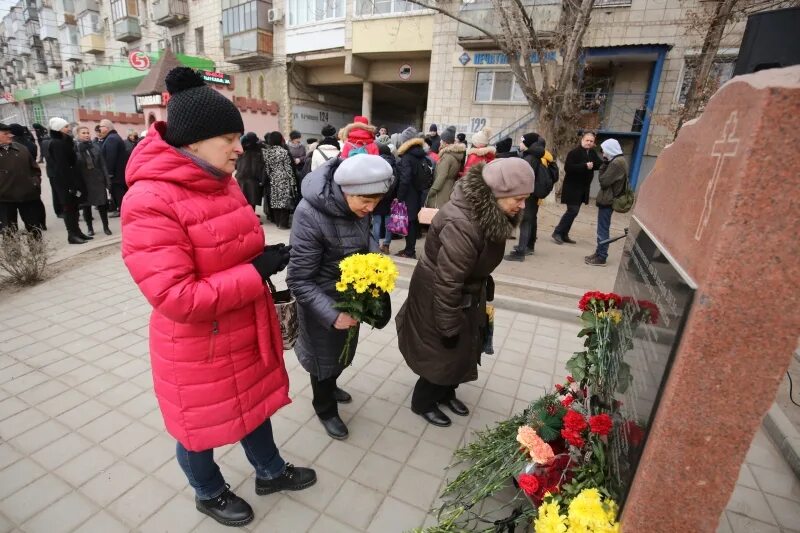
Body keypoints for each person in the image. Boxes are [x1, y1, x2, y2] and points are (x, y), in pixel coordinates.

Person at [120, 68, 316, 527]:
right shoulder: (150, 199)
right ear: (192, 141)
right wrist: (253, 273)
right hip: (197, 342)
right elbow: (174, 295)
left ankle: (269, 471)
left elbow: (226, 246)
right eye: (228, 137)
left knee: (254, 405)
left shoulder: (220, 180)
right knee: (198, 427)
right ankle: (207, 492)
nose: (238, 147)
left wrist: (262, 255)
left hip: (242, 325)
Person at [397, 158, 534, 426]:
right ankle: (423, 401)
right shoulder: (463, 224)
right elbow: (448, 281)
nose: (523, 205)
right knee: (441, 351)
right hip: (441, 294)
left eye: (526, 198)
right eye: (518, 198)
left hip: (466, 293)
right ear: (497, 193)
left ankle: (446, 392)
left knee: (461, 349)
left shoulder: (488, 211)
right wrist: (447, 324)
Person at [287, 154, 393, 440]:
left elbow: (365, 237)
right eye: (365, 202)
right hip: (321, 303)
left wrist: (375, 265)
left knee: (340, 354)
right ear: (345, 191)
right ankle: (324, 408)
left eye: (376, 202)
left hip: (352, 298)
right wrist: (333, 314)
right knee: (322, 360)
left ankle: (332, 385)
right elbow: (298, 278)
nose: (371, 208)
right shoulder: (310, 214)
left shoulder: (360, 206)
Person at [505, 133, 557, 262]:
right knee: (531, 219)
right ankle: (530, 245)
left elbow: (525, 177)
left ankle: (520, 252)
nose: (520, 144)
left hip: (528, 193)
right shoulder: (540, 155)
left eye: (522, 142)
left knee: (525, 221)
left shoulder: (530, 157)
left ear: (528, 144)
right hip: (534, 194)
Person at [553, 132, 603, 245]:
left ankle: (564, 234)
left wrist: (592, 165)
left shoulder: (592, 153)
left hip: (583, 188)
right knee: (572, 210)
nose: (589, 143)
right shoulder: (574, 153)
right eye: (587, 140)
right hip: (572, 187)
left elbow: (599, 164)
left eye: (591, 141)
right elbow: (568, 168)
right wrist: (584, 166)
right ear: (582, 140)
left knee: (574, 212)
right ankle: (557, 232)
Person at [48, 117, 90, 244]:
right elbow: (62, 166)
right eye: (65, 127)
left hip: (71, 179)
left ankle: (78, 232)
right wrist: (70, 185)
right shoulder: (57, 143)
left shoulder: (65, 141)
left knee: (75, 207)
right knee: (69, 208)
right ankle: (72, 235)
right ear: (58, 129)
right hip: (65, 182)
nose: (69, 129)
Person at [586, 138, 627, 267]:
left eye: (604, 151)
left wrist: (604, 165)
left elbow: (604, 181)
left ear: (610, 150)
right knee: (602, 228)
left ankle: (602, 256)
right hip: (608, 199)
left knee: (602, 229)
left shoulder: (616, 163)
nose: (603, 154)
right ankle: (599, 253)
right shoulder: (618, 161)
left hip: (608, 200)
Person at [0, 123, 44, 235]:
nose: (10, 135)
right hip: (4, 200)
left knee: (34, 228)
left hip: (28, 196)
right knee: (8, 231)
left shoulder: (22, 149)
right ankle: (14, 253)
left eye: (10, 133)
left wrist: (35, 183)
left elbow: (35, 169)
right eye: (6, 133)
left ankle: (37, 252)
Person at [395, 127, 429, 259]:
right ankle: (409, 249)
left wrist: (399, 197)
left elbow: (405, 179)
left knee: (409, 222)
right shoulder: (420, 155)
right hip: (419, 192)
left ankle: (409, 252)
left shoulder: (407, 157)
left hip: (409, 193)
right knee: (413, 222)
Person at [74, 126, 112, 236]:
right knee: (86, 206)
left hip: (97, 179)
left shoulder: (95, 147)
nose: (86, 135)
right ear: (78, 135)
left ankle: (106, 227)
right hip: (84, 181)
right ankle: (90, 228)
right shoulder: (75, 149)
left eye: (87, 132)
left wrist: (107, 180)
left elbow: (103, 164)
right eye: (83, 133)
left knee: (102, 204)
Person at [261, 131, 297, 230]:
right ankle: (283, 224)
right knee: (285, 202)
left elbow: (267, 168)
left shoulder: (267, 152)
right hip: (284, 179)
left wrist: (272, 176)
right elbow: (288, 169)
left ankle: (277, 222)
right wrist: (293, 182)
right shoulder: (283, 151)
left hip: (273, 179)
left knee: (276, 201)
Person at [425, 126, 466, 209]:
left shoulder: (447, 157)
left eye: (441, 140)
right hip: (448, 188)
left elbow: (441, 176)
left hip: (441, 191)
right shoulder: (454, 154)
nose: (440, 141)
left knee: (435, 213)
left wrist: (432, 191)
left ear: (445, 142)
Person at [99, 119, 129, 215]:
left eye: (101, 127)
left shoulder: (111, 138)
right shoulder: (113, 137)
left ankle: (124, 211)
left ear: (106, 128)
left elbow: (111, 157)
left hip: (116, 174)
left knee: (119, 193)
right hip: (119, 173)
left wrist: (109, 173)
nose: (99, 129)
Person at [373, 142, 397, 253]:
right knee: (389, 223)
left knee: (377, 222)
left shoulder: (377, 163)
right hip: (390, 197)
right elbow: (397, 181)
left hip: (378, 195)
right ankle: (386, 245)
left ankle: (375, 245)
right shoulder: (394, 164)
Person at [236, 132, 265, 213]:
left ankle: (246, 215)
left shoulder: (242, 147)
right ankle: (251, 215)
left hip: (242, 175)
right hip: (253, 177)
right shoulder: (258, 148)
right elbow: (261, 166)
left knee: (244, 197)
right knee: (253, 198)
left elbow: (236, 164)